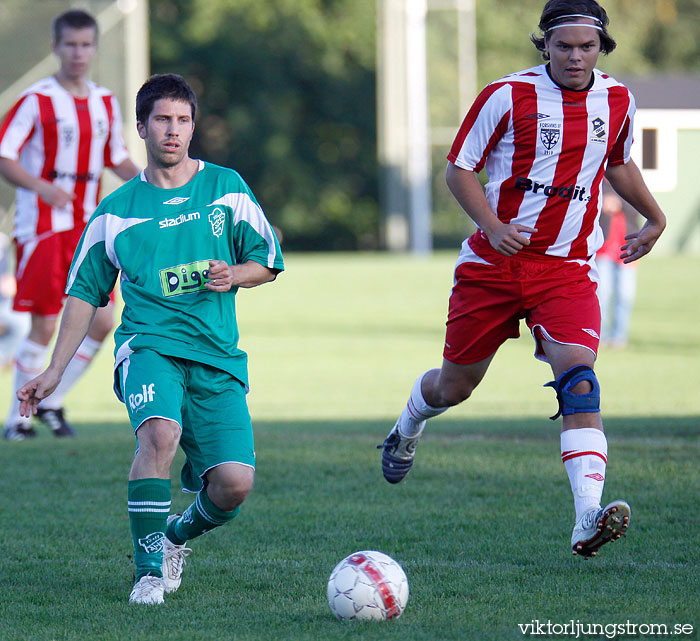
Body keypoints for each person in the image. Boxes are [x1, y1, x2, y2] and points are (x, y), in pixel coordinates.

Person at [379, 0, 666, 559]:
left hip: (565, 270)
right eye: (564, 46)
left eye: (587, 46)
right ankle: (408, 424)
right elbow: (458, 168)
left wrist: (655, 217)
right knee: (454, 387)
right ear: (545, 46)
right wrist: (491, 224)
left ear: (601, 47)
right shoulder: (506, 96)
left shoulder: (618, 99)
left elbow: (619, 162)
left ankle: (587, 517)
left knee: (580, 379)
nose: (575, 56)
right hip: (492, 267)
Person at [17, 73, 285, 605]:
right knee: (159, 435)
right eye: (162, 120)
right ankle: (146, 575)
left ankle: (173, 540)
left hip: (216, 356)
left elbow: (268, 260)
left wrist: (235, 274)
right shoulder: (115, 212)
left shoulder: (226, 188)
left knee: (233, 486)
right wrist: (52, 372)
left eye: (183, 120)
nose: (174, 131)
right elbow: (81, 297)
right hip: (149, 347)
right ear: (141, 128)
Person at [0, 9, 140, 440]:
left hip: (89, 228)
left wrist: (155, 185)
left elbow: (115, 156)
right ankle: (17, 420)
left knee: (102, 320)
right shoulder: (37, 100)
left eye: (86, 45)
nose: (79, 53)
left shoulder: (103, 101)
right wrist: (42, 188)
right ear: (56, 48)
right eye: (71, 45)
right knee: (44, 323)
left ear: (94, 48)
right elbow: (5, 155)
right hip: (43, 227)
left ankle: (53, 402)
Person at [597, 186, 638, 348]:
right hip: (603, 248)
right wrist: (603, 202)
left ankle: (619, 337)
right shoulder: (600, 179)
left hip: (628, 248)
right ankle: (600, 336)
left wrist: (618, 202)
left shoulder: (631, 180)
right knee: (602, 294)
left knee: (625, 295)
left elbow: (637, 207)